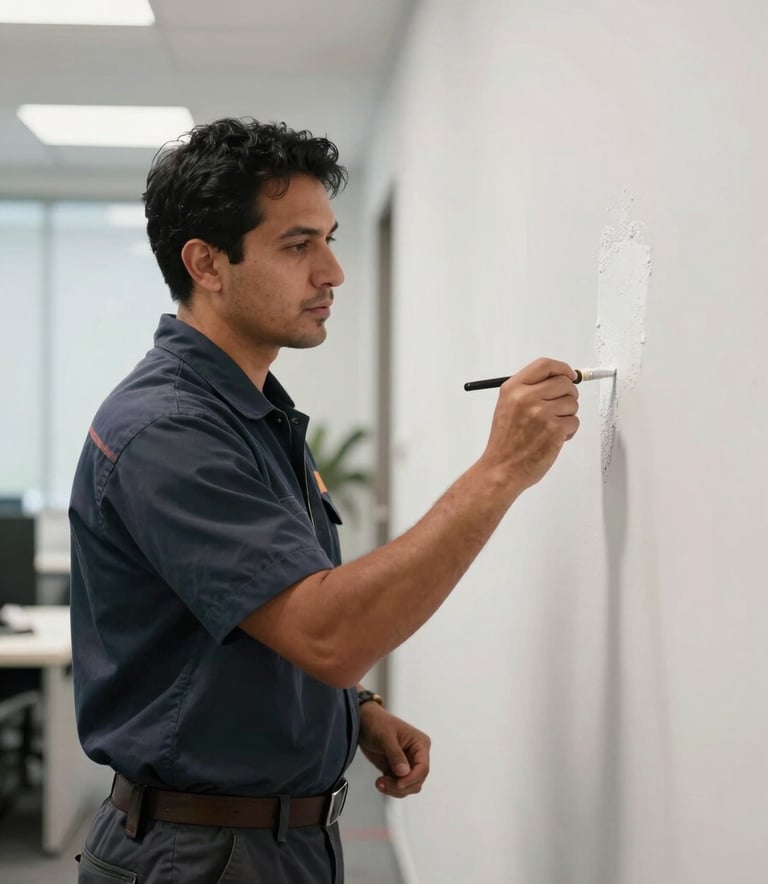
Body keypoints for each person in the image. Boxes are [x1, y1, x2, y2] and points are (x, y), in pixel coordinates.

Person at [69, 118, 580, 883]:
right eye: (298, 245)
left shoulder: (248, 411)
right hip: (201, 856)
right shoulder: (171, 432)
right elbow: (328, 634)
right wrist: (499, 470)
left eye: (330, 239)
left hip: (270, 838)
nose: (334, 272)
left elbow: (259, 614)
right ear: (207, 263)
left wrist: (356, 710)